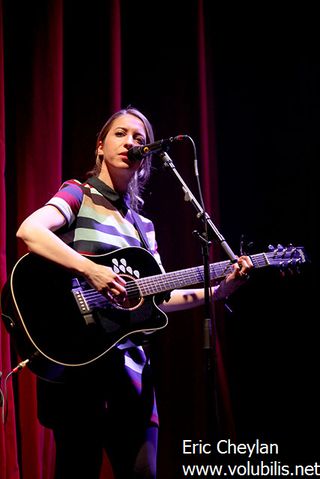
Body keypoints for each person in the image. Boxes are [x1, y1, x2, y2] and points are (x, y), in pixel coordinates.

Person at [16, 107, 253, 479]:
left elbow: (156, 299)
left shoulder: (144, 228)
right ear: (100, 146)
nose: (131, 143)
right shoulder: (78, 195)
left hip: (132, 378)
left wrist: (219, 291)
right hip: (82, 369)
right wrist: (90, 269)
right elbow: (30, 231)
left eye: (140, 139)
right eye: (121, 134)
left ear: (147, 158)